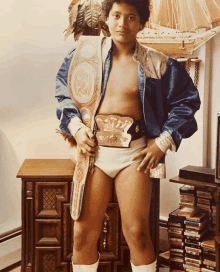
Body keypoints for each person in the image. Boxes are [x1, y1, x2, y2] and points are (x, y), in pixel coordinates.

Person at [55, 0, 201, 271]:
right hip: (93, 154)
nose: (123, 24)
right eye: (117, 16)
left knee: (137, 233)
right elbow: (63, 90)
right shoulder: (84, 55)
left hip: (134, 155)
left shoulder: (157, 63)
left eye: (132, 17)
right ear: (107, 19)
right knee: (83, 234)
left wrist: (164, 141)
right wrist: (76, 127)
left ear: (142, 23)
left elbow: (187, 101)